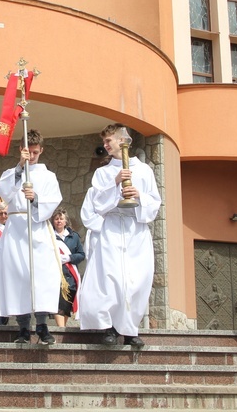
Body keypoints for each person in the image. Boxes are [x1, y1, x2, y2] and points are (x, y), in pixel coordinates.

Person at [78, 124, 161, 347]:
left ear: (124, 141)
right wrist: (115, 183)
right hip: (112, 229)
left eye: (109, 140)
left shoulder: (144, 170)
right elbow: (96, 203)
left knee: (135, 281)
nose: (105, 145)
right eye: (104, 142)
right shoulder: (102, 172)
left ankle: (130, 328)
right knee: (112, 279)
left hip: (135, 228)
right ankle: (110, 328)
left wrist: (139, 195)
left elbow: (155, 203)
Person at [0, 129, 63, 344]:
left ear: (41, 150)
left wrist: (35, 199)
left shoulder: (48, 176)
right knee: (18, 277)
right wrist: (20, 168)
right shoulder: (12, 172)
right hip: (15, 231)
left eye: (35, 152)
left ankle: (42, 326)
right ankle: (23, 327)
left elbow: (53, 202)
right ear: (21, 150)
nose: (31, 156)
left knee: (40, 278)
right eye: (27, 152)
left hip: (38, 229)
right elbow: (4, 192)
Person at [51, 208, 84, 327]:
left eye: (61, 219)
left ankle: (62, 328)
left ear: (66, 221)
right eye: (56, 219)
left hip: (70, 276)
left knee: (66, 304)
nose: (59, 221)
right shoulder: (49, 236)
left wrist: (69, 258)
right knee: (58, 302)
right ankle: (60, 328)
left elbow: (81, 255)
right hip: (55, 274)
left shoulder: (73, 237)